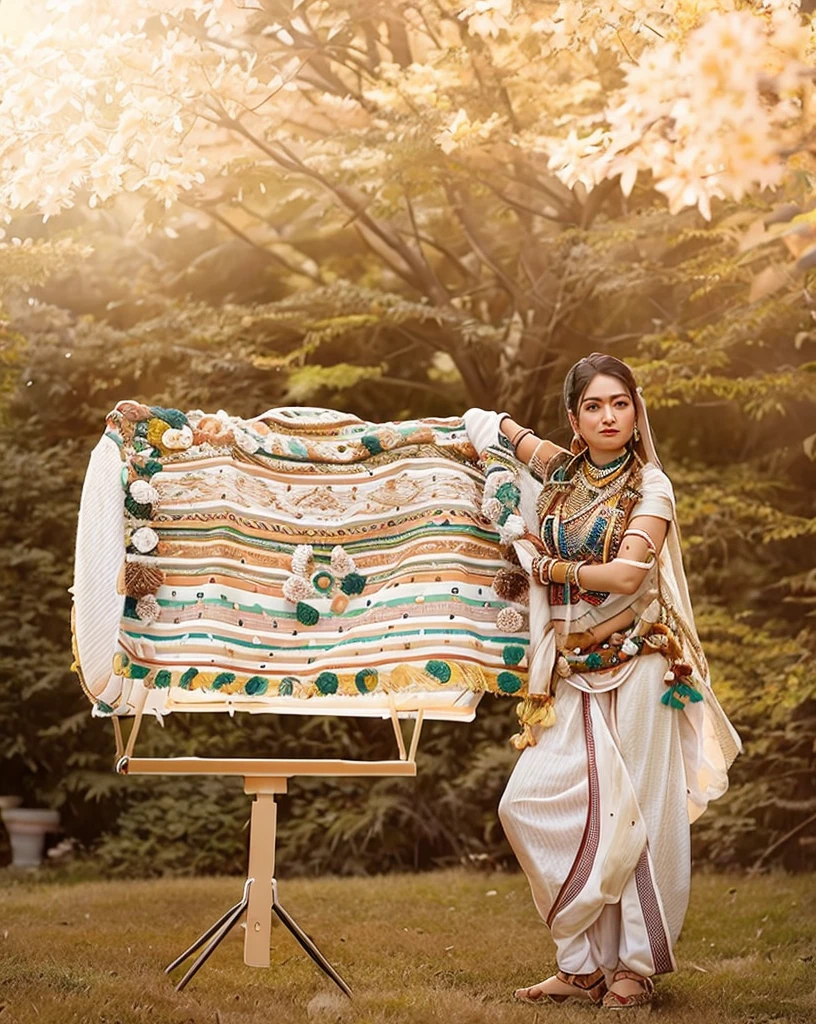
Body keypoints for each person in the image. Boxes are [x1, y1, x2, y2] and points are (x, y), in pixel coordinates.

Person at [463, 353, 741, 1009]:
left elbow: (624, 577)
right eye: (594, 406)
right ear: (575, 418)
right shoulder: (561, 471)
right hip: (572, 669)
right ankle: (581, 964)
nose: (608, 415)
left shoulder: (653, 489)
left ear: (635, 410)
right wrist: (478, 426)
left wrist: (545, 566)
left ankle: (635, 969)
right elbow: (506, 434)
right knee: (526, 804)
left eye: (619, 403)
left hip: (643, 664)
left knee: (641, 813)